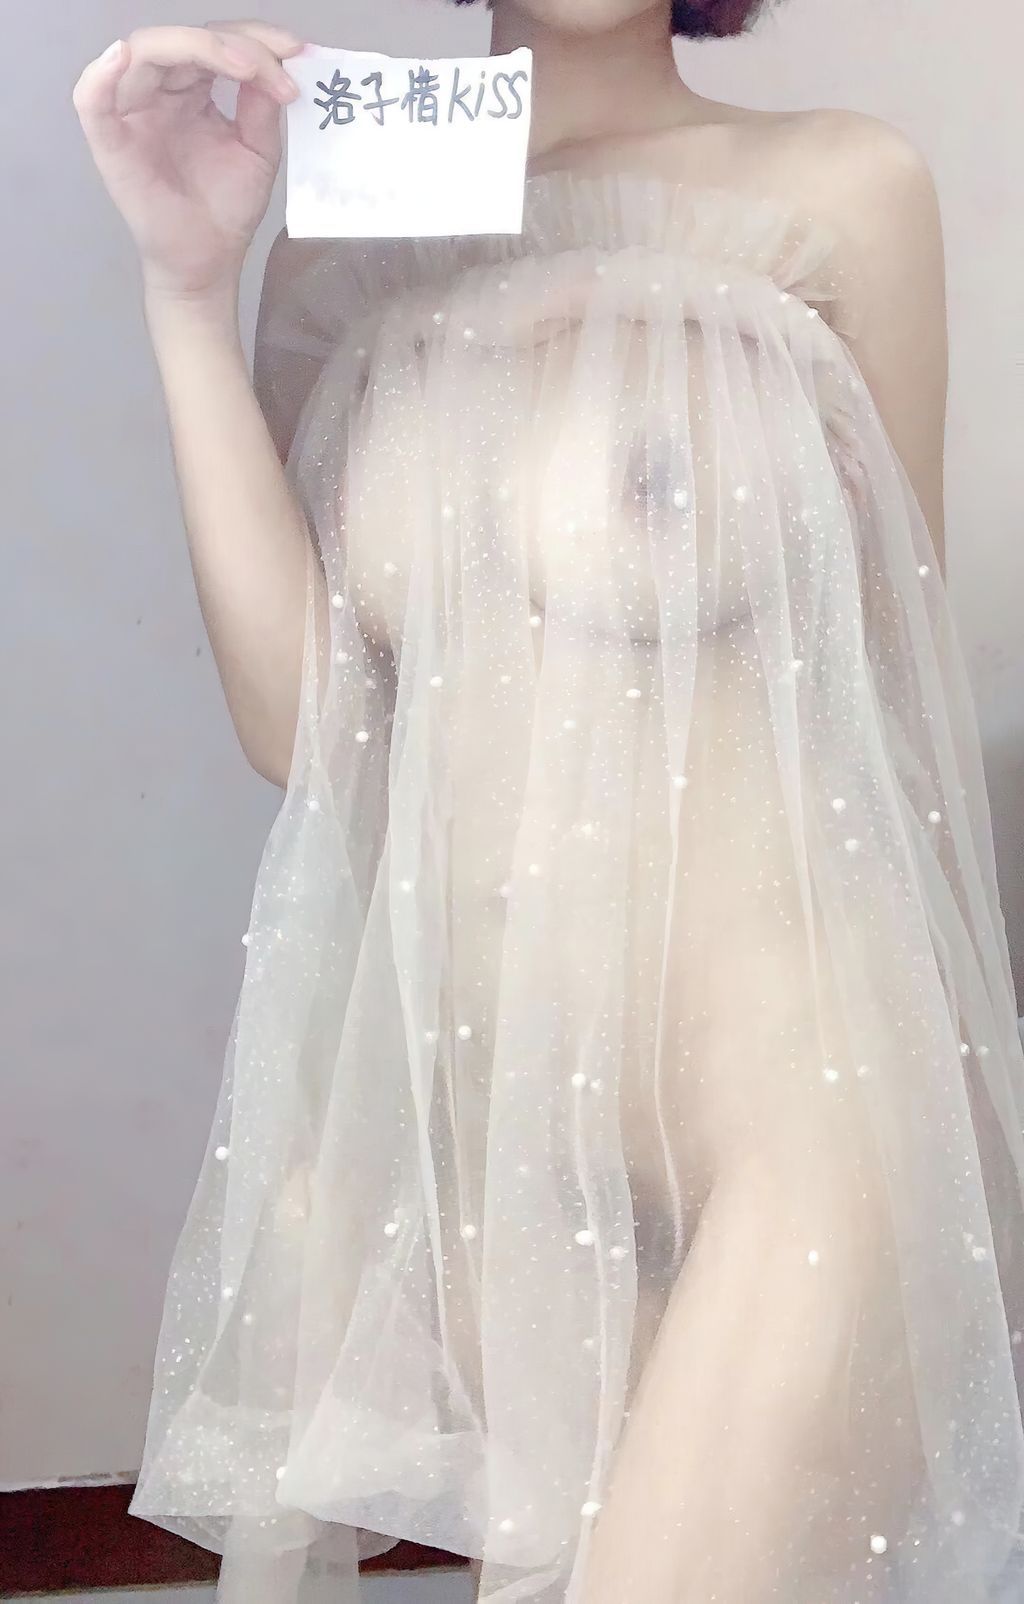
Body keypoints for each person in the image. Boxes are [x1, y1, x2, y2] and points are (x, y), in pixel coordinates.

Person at [73, 3, 1024, 1601]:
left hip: (797, 1122)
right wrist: (185, 286)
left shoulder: (841, 193)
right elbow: (302, 732)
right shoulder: (345, 237)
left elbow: (891, 696)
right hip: (492, 1147)